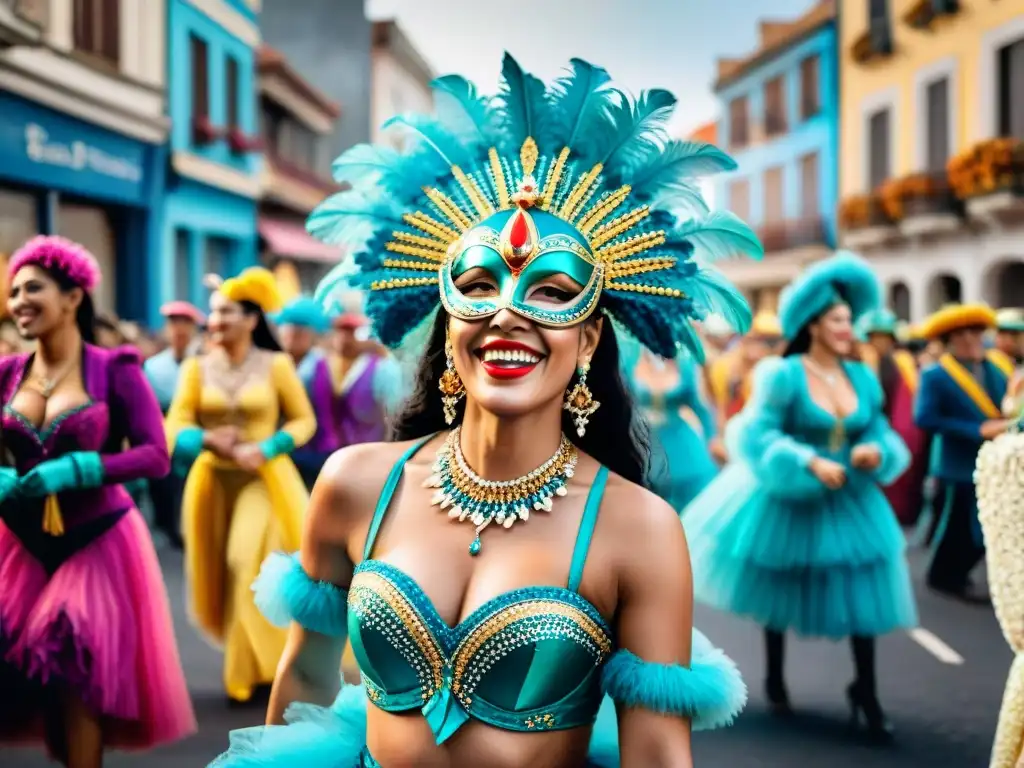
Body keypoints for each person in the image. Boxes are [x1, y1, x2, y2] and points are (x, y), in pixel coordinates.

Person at [211, 53, 757, 767]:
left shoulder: (640, 530)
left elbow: (656, 755)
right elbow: (306, 678)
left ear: (590, 337)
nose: (507, 311)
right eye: (478, 284)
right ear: (447, 322)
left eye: (553, 293)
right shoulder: (355, 485)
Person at [683, 252, 916, 740]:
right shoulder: (781, 375)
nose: (848, 328)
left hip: (849, 498)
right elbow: (756, 434)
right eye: (838, 320)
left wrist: (874, 450)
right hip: (787, 497)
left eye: (850, 319)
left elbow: (878, 429)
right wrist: (807, 460)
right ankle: (774, 675)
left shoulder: (862, 378)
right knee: (780, 583)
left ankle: (866, 691)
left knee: (861, 589)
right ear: (812, 324)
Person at [0, 236, 195, 765]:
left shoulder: (116, 368)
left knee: (74, 680)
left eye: (33, 287)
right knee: (40, 694)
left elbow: (155, 455)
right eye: (14, 291)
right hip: (19, 548)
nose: (18, 300)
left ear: (73, 297)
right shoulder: (5, 374)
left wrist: (85, 467)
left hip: (97, 543)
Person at [164, 267, 317, 705]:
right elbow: (174, 425)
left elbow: (305, 421)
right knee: (224, 575)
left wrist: (268, 448)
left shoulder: (277, 364)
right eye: (213, 313)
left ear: (252, 319)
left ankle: (255, 672)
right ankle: (254, 663)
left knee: (243, 561)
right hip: (211, 483)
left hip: (264, 482)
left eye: (226, 312)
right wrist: (205, 439)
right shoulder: (196, 368)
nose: (216, 320)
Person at [914, 304, 1013, 601]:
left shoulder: (999, 366)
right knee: (958, 527)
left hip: (996, 460)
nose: (971, 339)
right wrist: (976, 430)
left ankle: (958, 573)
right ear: (948, 340)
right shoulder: (936, 374)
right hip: (957, 464)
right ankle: (944, 577)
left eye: (976, 331)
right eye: (961, 334)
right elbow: (925, 418)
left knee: (989, 526)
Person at [856, 308, 928, 526]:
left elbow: (908, 400)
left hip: (892, 431)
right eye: (875, 337)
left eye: (885, 337)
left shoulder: (902, 363)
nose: (880, 342)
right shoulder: (857, 363)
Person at [143, 300, 205, 548]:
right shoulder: (153, 366)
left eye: (185, 324)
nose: (179, 330)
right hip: (163, 434)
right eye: (173, 323)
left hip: (197, 436)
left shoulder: (205, 363)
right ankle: (168, 526)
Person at [632, 348, 719, 512]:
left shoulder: (685, 363)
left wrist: (712, 438)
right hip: (642, 443)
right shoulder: (629, 358)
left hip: (681, 444)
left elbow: (700, 407)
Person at [273, 296, 341, 489]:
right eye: (289, 329)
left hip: (313, 450)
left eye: (300, 331)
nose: (292, 336)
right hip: (285, 448)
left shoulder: (318, 365)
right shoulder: (279, 362)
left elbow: (322, 411)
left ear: (311, 335)